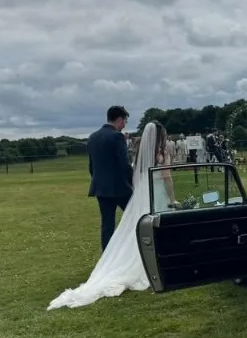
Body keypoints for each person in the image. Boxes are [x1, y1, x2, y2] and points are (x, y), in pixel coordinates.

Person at [47, 121, 174, 310]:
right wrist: (173, 197)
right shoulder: (154, 151)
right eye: (124, 120)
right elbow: (164, 175)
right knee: (154, 226)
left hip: (117, 189)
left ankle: (112, 257)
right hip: (144, 191)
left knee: (116, 225)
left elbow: (129, 173)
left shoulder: (105, 141)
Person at [87, 106, 133, 252]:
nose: (124, 125)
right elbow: (124, 165)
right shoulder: (117, 136)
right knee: (135, 217)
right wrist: (134, 181)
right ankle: (133, 250)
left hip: (101, 188)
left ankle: (107, 256)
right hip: (119, 188)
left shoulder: (93, 137)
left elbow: (91, 166)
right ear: (119, 120)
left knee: (107, 225)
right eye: (125, 121)